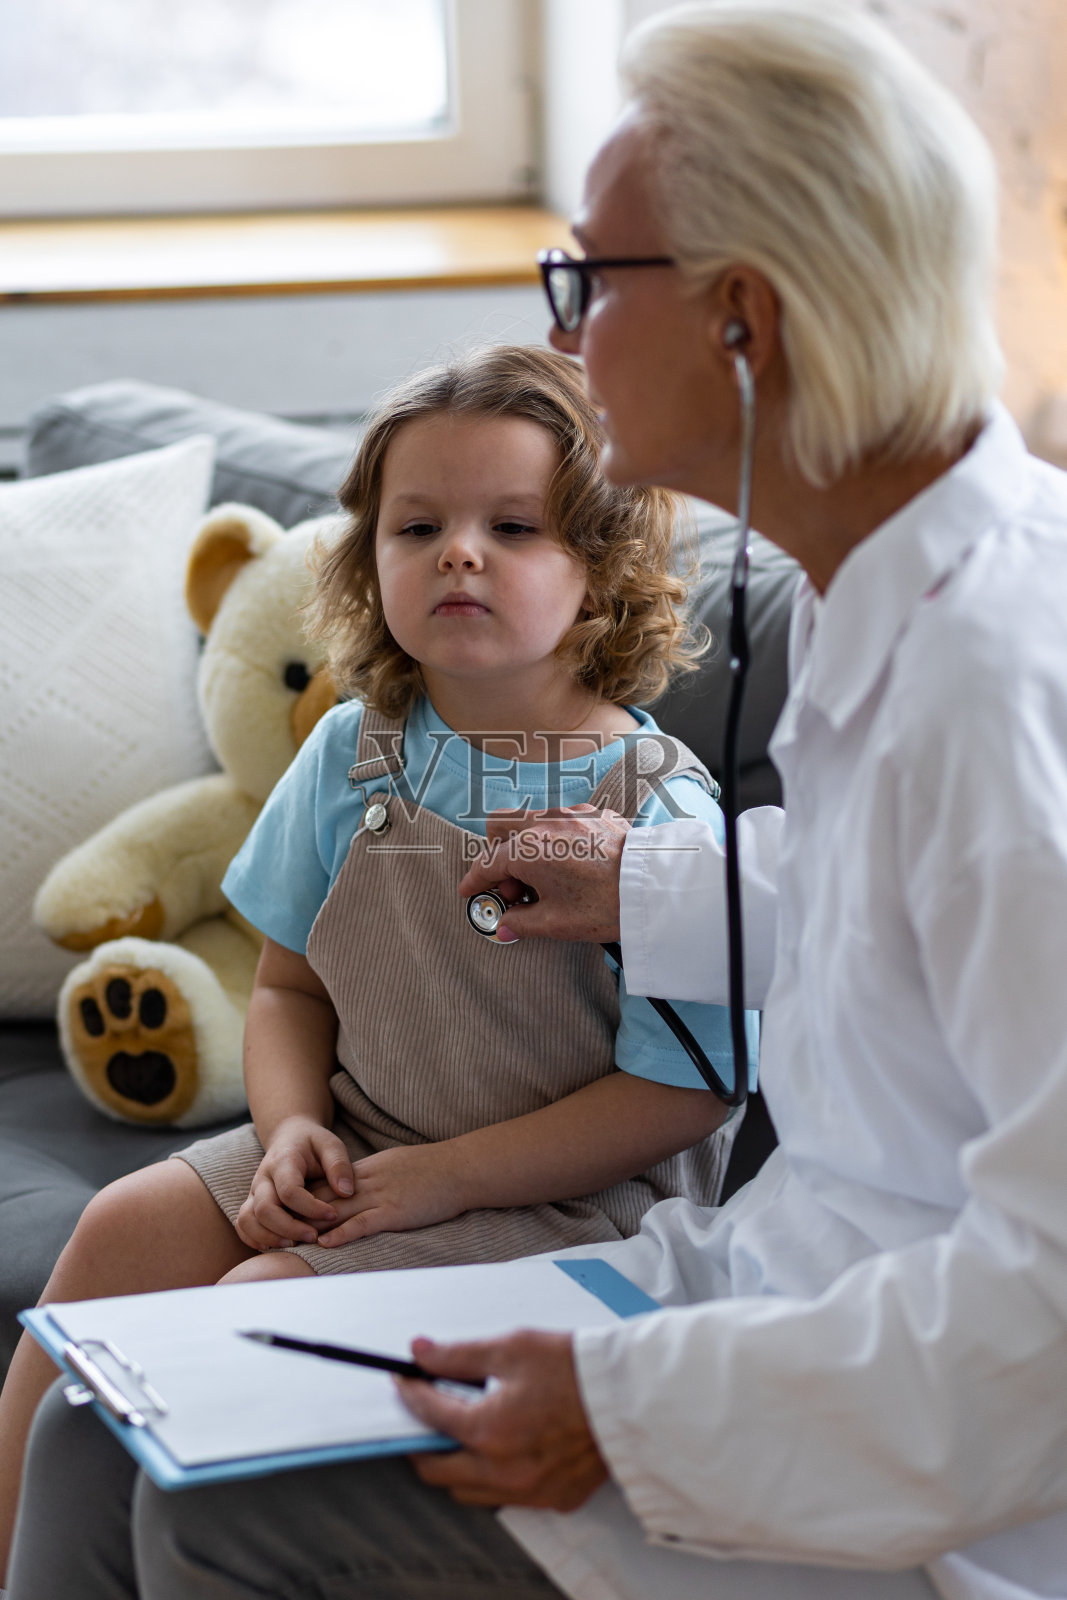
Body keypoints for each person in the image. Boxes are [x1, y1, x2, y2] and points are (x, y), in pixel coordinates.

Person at [7, 2, 1067, 1598]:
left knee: (211, 1502)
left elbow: (1040, 1308)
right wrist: (650, 886)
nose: (563, 337)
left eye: (589, 282)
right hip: (765, 1291)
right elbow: (890, 899)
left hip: (886, 1439)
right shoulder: (873, 600)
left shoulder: (1000, 678)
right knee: (104, 1424)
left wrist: (627, 1413)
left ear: (740, 318)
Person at [0, 344, 756, 1586]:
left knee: (256, 1297)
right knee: (120, 1228)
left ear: (603, 569)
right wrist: (289, 1125)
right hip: (360, 1137)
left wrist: (437, 1182)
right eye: (418, 527)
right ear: (369, 560)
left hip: (565, 1204)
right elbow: (288, 985)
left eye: (511, 525)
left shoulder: (657, 809)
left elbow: (685, 1094)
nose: (458, 552)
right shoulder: (352, 749)